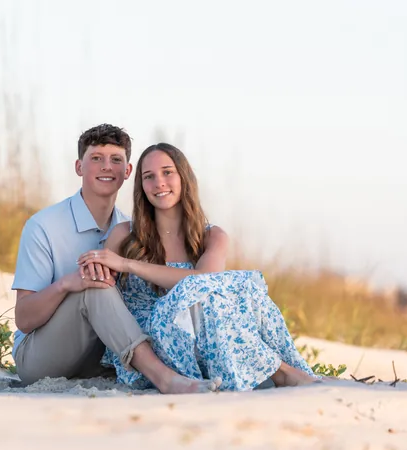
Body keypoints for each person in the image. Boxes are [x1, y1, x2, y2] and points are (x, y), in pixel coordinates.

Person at [77, 143, 319, 391]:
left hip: (202, 343)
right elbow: (100, 292)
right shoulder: (124, 235)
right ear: (141, 187)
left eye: (167, 172)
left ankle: (270, 370)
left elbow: (202, 283)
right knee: (219, 288)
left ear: (184, 177)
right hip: (150, 347)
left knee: (229, 290)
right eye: (148, 177)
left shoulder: (213, 237)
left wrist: (129, 265)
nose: (159, 182)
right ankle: (280, 372)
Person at [11, 125, 229, 393]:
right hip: (40, 357)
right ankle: (164, 379)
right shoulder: (44, 225)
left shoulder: (132, 232)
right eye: (96, 159)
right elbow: (23, 318)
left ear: (127, 172)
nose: (106, 167)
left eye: (116, 160)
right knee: (95, 287)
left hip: (103, 359)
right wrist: (67, 284)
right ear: (79, 167)